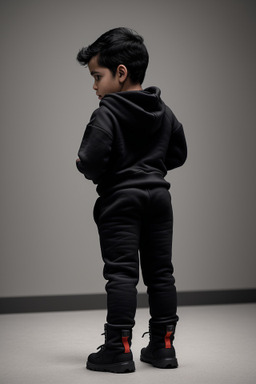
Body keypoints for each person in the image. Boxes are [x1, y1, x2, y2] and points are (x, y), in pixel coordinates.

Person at [76, 27, 187, 373]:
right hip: (159, 199)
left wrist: (97, 171)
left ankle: (118, 348)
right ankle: (163, 346)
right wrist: (151, 170)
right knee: (161, 274)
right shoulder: (163, 110)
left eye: (97, 76)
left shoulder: (107, 112)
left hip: (120, 202)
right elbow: (179, 153)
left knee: (122, 274)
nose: (94, 86)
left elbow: (89, 160)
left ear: (120, 73)